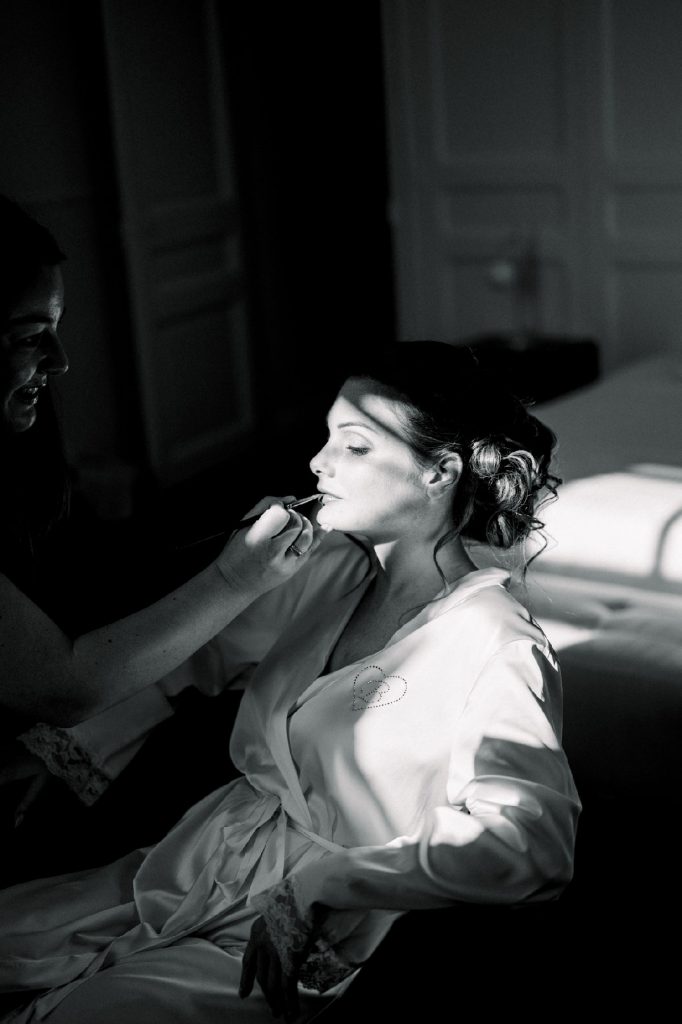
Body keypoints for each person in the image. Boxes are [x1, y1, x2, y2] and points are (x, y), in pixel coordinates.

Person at [0, 338, 581, 1023]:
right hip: (187, 865)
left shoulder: (493, 637)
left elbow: (531, 839)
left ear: (440, 472)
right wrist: (54, 756)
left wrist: (335, 883)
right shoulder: (325, 568)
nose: (317, 462)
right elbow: (192, 664)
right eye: (326, 437)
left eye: (354, 445)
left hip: (301, 927)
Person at [0, 195, 320, 859]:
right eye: (31, 336)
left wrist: (223, 554)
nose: (60, 362)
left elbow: (94, 573)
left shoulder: (22, 448)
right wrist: (236, 576)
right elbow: (64, 684)